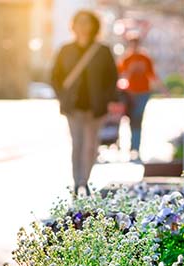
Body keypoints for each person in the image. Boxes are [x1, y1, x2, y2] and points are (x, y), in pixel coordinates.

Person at [51, 10, 117, 196]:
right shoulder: (66, 50)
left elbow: (112, 78)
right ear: (73, 25)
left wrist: (107, 99)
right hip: (73, 107)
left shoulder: (102, 50)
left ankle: (85, 180)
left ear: (94, 25)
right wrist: (62, 97)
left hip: (96, 107)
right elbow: (55, 77)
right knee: (77, 144)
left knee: (91, 146)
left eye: (86, 22)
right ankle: (76, 182)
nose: (83, 26)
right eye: (79, 22)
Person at [118, 35, 166, 159]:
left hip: (143, 93)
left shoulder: (145, 58)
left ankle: (135, 147)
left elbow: (152, 75)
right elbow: (121, 77)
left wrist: (164, 90)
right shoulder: (126, 59)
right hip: (130, 93)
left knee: (138, 118)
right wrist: (130, 71)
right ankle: (130, 145)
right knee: (131, 118)